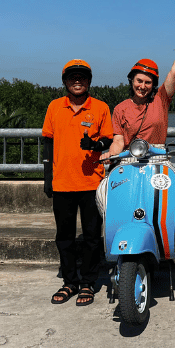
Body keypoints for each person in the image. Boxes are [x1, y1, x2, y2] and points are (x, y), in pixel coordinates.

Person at [42, 59, 112, 306]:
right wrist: (47, 177)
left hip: (92, 182)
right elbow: (48, 144)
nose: (77, 80)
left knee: (93, 236)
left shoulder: (101, 108)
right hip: (62, 182)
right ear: (65, 81)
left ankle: (88, 283)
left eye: (82, 76)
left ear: (90, 81)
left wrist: (95, 145)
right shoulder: (54, 107)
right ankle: (70, 281)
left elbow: (108, 140)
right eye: (72, 77)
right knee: (65, 236)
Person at [105, 26, 175, 156]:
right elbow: (118, 141)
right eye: (139, 81)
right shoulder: (120, 109)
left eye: (148, 82)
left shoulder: (161, 99)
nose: (142, 86)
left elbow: (174, 72)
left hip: (157, 158)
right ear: (132, 80)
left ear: (153, 84)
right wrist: (110, 154)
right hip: (129, 159)